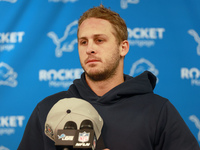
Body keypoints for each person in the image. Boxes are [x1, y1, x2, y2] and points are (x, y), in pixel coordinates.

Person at [18, 4, 200, 150]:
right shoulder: (48, 109)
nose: (90, 48)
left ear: (123, 48)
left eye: (99, 40)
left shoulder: (158, 110)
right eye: (83, 42)